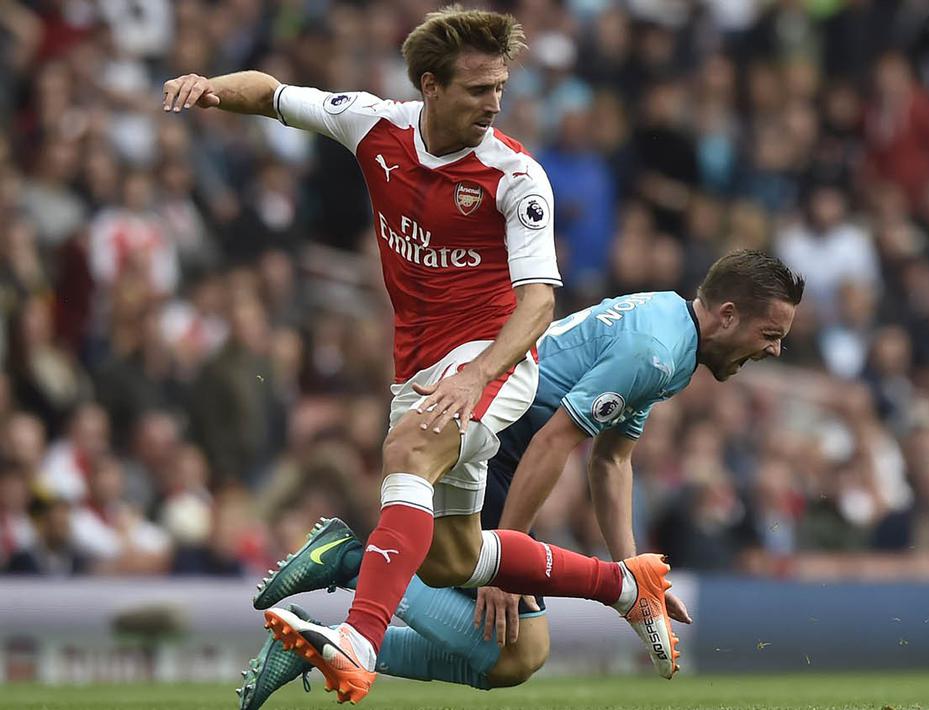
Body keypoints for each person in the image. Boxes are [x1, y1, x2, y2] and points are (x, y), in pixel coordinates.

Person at [162, 7, 676, 703]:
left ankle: (355, 642)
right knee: (450, 560)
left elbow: (537, 306)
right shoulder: (374, 123)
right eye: (475, 89)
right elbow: (272, 94)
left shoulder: (514, 176)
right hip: (419, 367)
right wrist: (210, 86)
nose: (492, 103)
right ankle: (623, 584)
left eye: (499, 87)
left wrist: (479, 373)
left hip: (492, 366)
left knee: (409, 453)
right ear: (429, 86)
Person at [237, 250, 804, 708]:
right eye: (770, 333)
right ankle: (350, 559)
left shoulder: (669, 334)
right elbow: (553, 440)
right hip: (502, 443)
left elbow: (612, 460)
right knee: (515, 648)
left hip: (506, 441)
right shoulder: (657, 352)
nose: (775, 349)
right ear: (727, 315)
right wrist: (504, 564)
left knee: (514, 656)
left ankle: (319, 638)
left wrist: (636, 572)